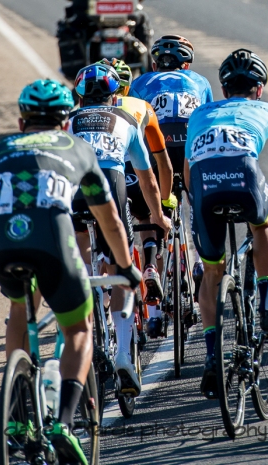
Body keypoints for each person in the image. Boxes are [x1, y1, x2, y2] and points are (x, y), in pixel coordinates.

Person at [0, 79, 141, 462]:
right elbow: (111, 221)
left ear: (22, 122)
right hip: (51, 241)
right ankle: (63, 423)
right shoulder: (77, 147)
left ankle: (18, 415)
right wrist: (126, 267)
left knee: (20, 309)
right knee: (80, 328)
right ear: (66, 119)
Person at [185, 49, 268, 398]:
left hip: (204, 186)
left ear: (224, 88)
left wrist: (197, 205)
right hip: (244, 179)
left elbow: (187, 174)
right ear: (259, 88)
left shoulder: (200, 113)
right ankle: (267, 306)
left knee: (213, 272)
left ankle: (212, 357)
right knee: (262, 227)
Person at [69, 63, 171, 397]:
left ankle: (88, 296)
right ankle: (124, 353)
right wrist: (157, 215)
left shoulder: (68, 119)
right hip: (111, 186)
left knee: (83, 253)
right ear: (117, 94)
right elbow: (146, 176)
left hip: (74, 190)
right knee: (122, 267)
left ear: (79, 95)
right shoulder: (125, 119)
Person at [128, 34, 213, 302]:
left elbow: (133, 124)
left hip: (157, 149)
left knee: (152, 212)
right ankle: (200, 261)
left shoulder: (140, 82)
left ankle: (152, 264)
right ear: (186, 65)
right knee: (196, 201)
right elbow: (208, 120)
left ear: (155, 64)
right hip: (190, 147)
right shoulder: (200, 81)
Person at [100, 58, 176, 337]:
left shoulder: (87, 110)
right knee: (146, 218)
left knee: (106, 231)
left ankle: (104, 288)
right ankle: (151, 266)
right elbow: (163, 162)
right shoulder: (141, 106)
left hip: (102, 179)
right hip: (136, 172)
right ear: (128, 85)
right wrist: (164, 205)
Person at [57, 0, 153, 79]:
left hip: (95, 14)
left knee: (71, 28)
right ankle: (150, 75)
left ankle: (149, 73)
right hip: (117, 12)